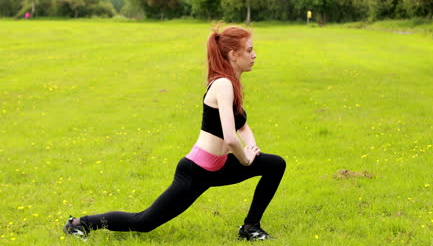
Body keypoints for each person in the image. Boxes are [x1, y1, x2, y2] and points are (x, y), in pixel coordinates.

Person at [63, 25, 286, 241]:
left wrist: (253, 147)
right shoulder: (223, 85)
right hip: (196, 172)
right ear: (233, 54)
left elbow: (241, 126)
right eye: (249, 50)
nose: (254, 55)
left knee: (274, 164)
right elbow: (229, 138)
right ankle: (79, 223)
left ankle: (250, 227)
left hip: (218, 167)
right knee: (143, 222)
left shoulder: (233, 83)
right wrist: (245, 160)